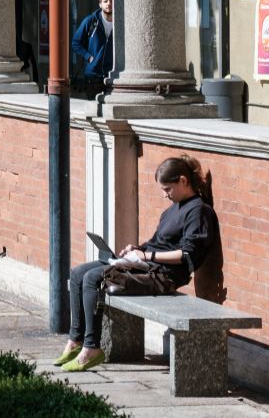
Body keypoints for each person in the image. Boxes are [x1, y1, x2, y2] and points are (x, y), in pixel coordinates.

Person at [55, 154, 219, 372]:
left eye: (167, 189)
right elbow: (157, 243)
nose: (165, 195)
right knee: (78, 273)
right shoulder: (172, 210)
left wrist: (147, 257)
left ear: (183, 181)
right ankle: (75, 340)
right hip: (147, 266)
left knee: (94, 278)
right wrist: (137, 249)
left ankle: (91, 347)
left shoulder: (199, 211)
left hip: (164, 276)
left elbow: (186, 255)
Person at [71, 0, 113, 99]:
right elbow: (75, 43)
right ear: (100, 4)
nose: (109, 3)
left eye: (111, 1)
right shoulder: (91, 21)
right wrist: (89, 57)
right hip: (93, 74)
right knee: (93, 109)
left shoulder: (121, 23)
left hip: (113, 74)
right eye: (106, 1)